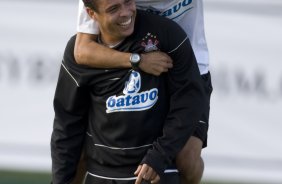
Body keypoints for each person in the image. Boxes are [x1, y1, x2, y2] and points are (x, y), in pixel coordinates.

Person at [50, 0, 206, 184]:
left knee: (186, 158)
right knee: (79, 151)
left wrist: (160, 156)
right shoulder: (101, 15)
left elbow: (189, 98)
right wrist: (137, 60)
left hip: (185, 61)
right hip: (143, 53)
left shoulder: (168, 33)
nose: (124, 11)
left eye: (127, 2)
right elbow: (82, 52)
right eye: (114, 8)